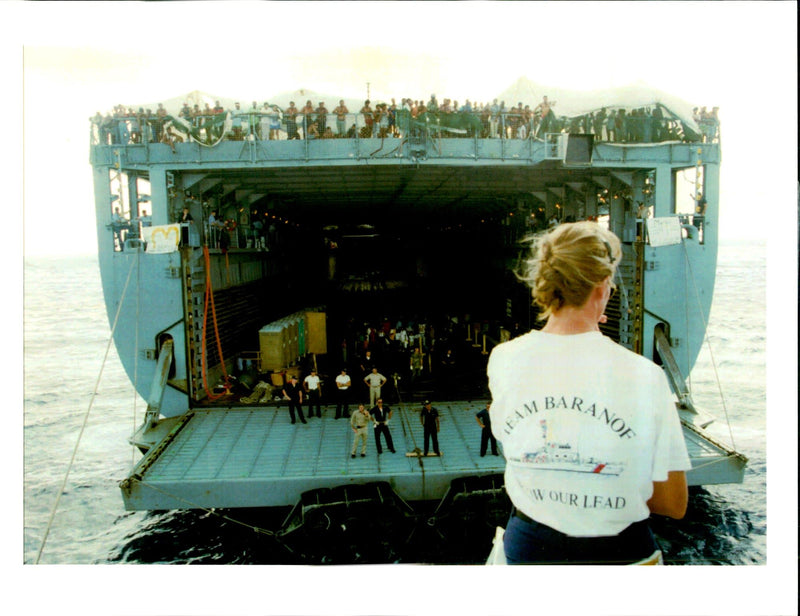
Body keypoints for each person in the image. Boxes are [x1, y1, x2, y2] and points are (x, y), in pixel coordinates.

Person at [487, 221, 690, 565]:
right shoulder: (645, 375)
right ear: (601, 287)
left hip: (528, 548)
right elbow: (673, 502)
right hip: (618, 557)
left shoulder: (504, 358)